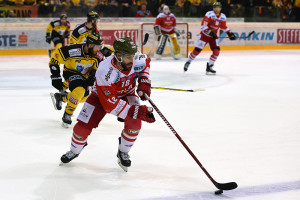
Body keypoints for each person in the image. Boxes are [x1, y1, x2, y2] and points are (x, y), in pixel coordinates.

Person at [60, 37, 156, 172]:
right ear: (118, 56)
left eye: (133, 56)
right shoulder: (105, 71)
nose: (133, 60)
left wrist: (144, 80)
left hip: (126, 93)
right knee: (81, 128)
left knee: (135, 124)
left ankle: (123, 151)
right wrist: (136, 111)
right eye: (129, 57)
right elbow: (110, 105)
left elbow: (145, 65)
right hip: (100, 97)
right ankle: (75, 150)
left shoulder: (137, 58)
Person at [49, 32, 105, 127]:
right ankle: (68, 114)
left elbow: (100, 67)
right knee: (79, 91)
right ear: (90, 45)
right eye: (98, 47)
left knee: (83, 98)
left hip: (84, 76)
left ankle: (61, 97)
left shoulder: (98, 55)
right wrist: (55, 75)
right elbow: (55, 57)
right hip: (70, 72)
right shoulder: (72, 50)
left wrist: (93, 75)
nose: (99, 49)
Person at [183, 2, 236, 75]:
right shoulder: (209, 14)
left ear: (220, 8)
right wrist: (211, 32)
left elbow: (223, 26)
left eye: (218, 7)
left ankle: (210, 66)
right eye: (215, 7)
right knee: (197, 50)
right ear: (213, 8)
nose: (217, 9)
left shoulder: (223, 16)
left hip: (213, 37)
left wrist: (229, 33)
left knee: (216, 51)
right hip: (205, 35)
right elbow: (203, 26)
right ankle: (188, 62)